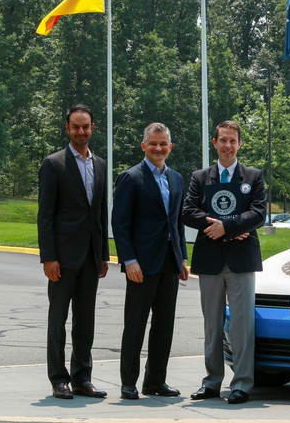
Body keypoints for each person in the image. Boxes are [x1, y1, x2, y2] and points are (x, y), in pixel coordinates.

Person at [183, 120, 266, 405]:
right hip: (210, 259)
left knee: (242, 324)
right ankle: (211, 382)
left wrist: (227, 226)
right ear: (214, 143)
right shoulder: (200, 177)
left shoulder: (253, 176)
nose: (228, 146)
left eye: (233, 141)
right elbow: (188, 211)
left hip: (242, 260)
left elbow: (258, 213)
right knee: (212, 325)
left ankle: (242, 383)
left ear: (239, 144)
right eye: (223, 140)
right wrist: (220, 227)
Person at [112, 123, 190, 400]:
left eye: (163, 144)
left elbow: (177, 222)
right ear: (143, 146)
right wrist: (129, 261)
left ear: (170, 147)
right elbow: (119, 224)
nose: (158, 148)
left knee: (164, 325)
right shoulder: (131, 178)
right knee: (135, 324)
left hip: (170, 263)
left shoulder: (177, 179)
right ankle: (128, 383)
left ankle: (155, 381)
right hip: (141, 266)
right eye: (153, 144)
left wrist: (182, 257)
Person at [37, 104, 109, 400]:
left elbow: (100, 213)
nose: (81, 131)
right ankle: (59, 379)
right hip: (62, 258)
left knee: (85, 321)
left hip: (91, 258)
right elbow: (46, 215)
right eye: (76, 127)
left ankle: (82, 378)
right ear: (67, 129)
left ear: (93, 128)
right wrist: (48, 257)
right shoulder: (53, 164)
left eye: (86, 126)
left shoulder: (100, 165)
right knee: (58, 320)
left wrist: (103, 253)